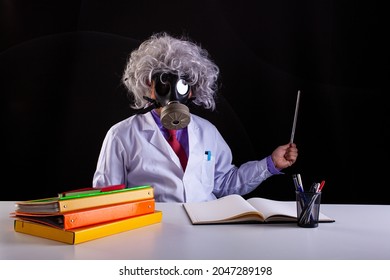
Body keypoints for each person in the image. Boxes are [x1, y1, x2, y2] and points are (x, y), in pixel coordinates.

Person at [92, 32, 298, 202]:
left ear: (192, 90)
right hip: (152, 231)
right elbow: (108, 198)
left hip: (205, 229)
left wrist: (271, 164)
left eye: (182, 84)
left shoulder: (207, 131)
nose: (173, 91)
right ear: (149, 86)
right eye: (163, 81)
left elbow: (225, 183)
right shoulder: (121, 135)